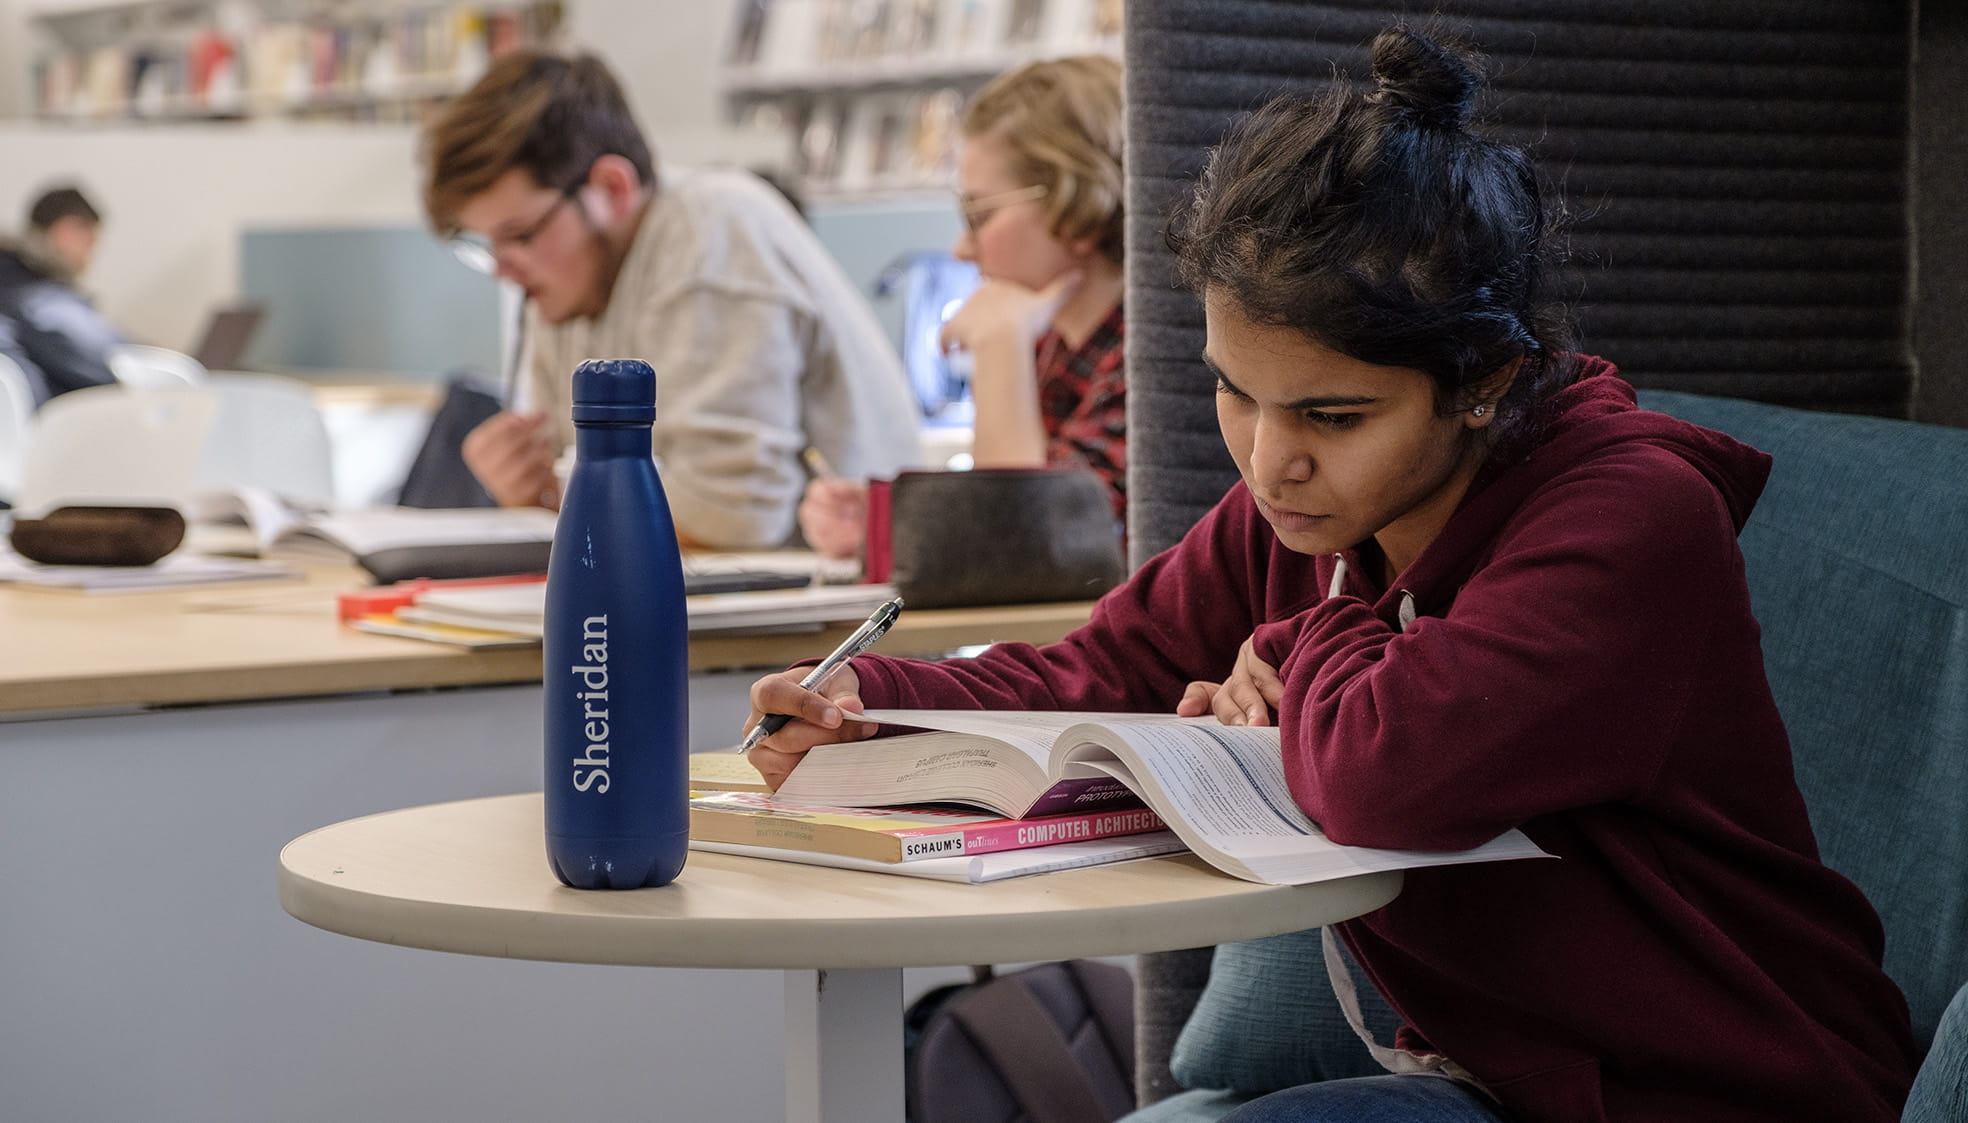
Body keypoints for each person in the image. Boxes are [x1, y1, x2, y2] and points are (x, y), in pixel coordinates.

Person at [743, 26, 1918, 1123]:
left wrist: (1301, 646)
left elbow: (1385, 772)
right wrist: (873, 708)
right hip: (1505, 1072)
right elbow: (1103, 667)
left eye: (1331, 413)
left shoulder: (1630, 521)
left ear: (1486, 383)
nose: (1267, 459)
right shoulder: (1310, 504)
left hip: (1717, 1087)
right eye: (1233, 393)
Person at [422, 51, 922, 550]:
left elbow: (732, 522)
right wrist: (529, 491)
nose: (503, 271)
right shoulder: (569, 286)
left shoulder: (710, 232)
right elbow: (579, 496)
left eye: (521, 236)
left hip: (851, 610)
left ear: (612, 189)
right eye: (487, 244)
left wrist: (555, 499)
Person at [798, 55, 1127, 559]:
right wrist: (892, 526)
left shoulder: (1151, 366)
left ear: (1078, 203)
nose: (962, 250)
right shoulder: (1057, 347)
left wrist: (999, 343)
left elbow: (1022, 552)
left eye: (979, 215)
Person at [0, 185, 122, 406]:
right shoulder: (36, 294)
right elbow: (109, 360)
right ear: (67, 230)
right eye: (90, 243)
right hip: (29, 431)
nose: (89, 259)